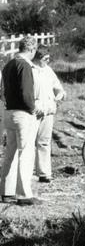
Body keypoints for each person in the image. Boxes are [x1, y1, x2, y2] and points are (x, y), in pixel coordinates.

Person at [0, 36, 41, 205]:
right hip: (23, 113)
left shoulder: (8, 64)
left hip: (9, 112)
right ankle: (24, 194)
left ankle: (6, 191)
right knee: (26, 153)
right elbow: (26, 93)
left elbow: (1, 90)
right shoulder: (24, 65)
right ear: (31, 49)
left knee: (10, 153)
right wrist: (33, 107)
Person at [32, 46, 65, 183]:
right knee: (30, 143)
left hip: (48, 111)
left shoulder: (48, 70)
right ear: (39, 57)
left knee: (44, 142)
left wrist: (60, 94)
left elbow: (57, 86)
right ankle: (29, 172)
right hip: (34, 110)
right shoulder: (30, 69)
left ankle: (44, 173)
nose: (47, 61)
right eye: (45, 58)